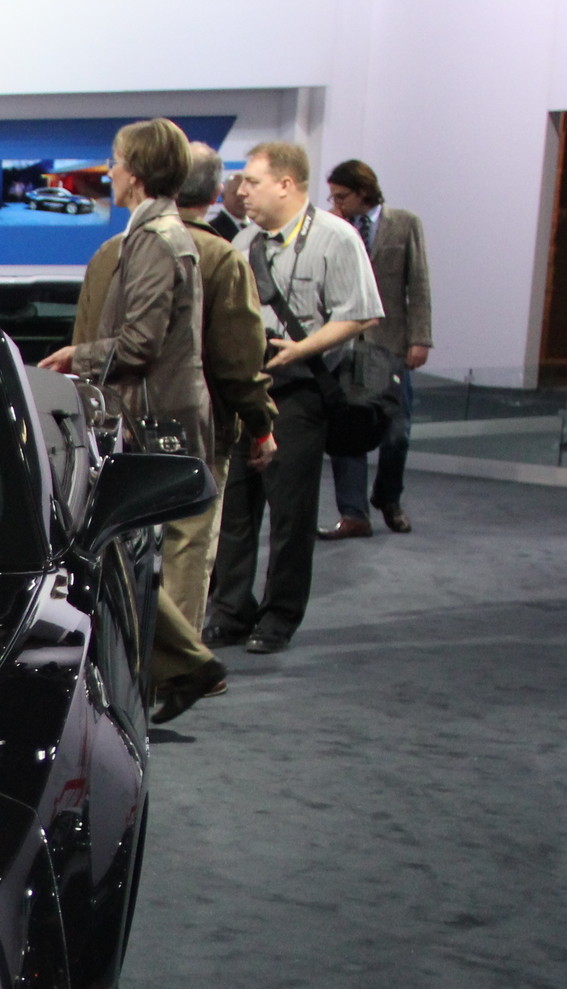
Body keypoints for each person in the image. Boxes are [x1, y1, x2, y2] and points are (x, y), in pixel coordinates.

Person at [41, 119, 224, 719]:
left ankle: (187, 667)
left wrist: (77, 355)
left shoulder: (155, 242)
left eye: (116, 161)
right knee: (123, 545)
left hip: (155, 418)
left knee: (125, 545)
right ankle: (183, 667)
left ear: (137, 172)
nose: (109, 171)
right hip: (154, 411)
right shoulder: (156, 237)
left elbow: (141, 343)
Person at [202, 141, 381, 655]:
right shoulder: (243, 243)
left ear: (286, 184)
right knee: (235, 508)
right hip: (248, 388)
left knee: (290, 511)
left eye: (252, 181)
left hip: (302, 390)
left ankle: (279, 616)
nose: (241, 191)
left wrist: (302, 348)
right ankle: (230, 609)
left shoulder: (335, 238)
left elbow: (362, 312)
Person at [322, 159, 432, 537]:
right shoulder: (332, 228)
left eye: (341, 195)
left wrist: (420, 338)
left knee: (396, 431)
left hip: (390, 344)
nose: (335, 201)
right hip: (342, 343)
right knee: (346, 429)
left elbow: (417, 285)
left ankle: (388, 497)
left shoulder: (405, 224)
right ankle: (353, 514)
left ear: (363, 192)